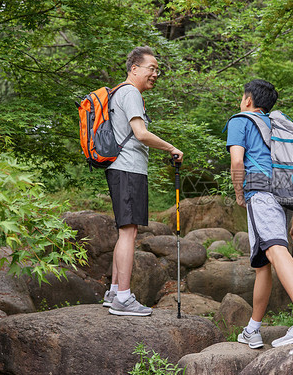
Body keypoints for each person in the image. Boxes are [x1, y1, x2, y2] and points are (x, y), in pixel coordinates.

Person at [225, 79, 293, 347]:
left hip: (259, 191)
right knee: (263, 263)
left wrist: (239, 194)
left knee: (274, 251)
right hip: (283, 193)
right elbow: (289, 168)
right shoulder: (277, 125)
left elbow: (237, 161)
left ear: (248, 100)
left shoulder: (240, 120)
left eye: (242, 96)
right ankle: (253, 329)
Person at [102, 46, 183, 316]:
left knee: (125, 229)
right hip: (128, 168)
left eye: (157, 69)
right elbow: (140, 133)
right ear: (134, 69)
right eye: (152, 68)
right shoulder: (131, 92)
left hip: (120, 168)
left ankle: (114, 291)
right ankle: (123, 298)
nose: (155, 74)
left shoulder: (118, 93)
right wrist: (171, 147)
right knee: (129, 231)